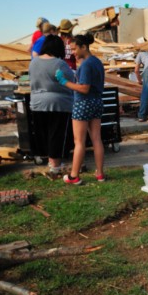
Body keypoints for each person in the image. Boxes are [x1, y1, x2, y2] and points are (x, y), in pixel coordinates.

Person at [55, 34, 106, 185]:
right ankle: (100, 174)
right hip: (97, 102)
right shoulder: (96, 62)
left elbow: (84, 88)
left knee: (79, 142)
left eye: (74, 49)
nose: (73, 53)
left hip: (83, 103)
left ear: (83, 47)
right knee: (97, 139)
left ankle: (73, 176)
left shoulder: (86, 64)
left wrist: (64, 82)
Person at [29, 35, 74, 175]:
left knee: (45, 133)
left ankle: (51, 162)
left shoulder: (33, 62)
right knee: (57, 134)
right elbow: (70, 81)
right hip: (58, 103)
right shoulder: (59, 64)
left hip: (37, 103)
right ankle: (55, 167)